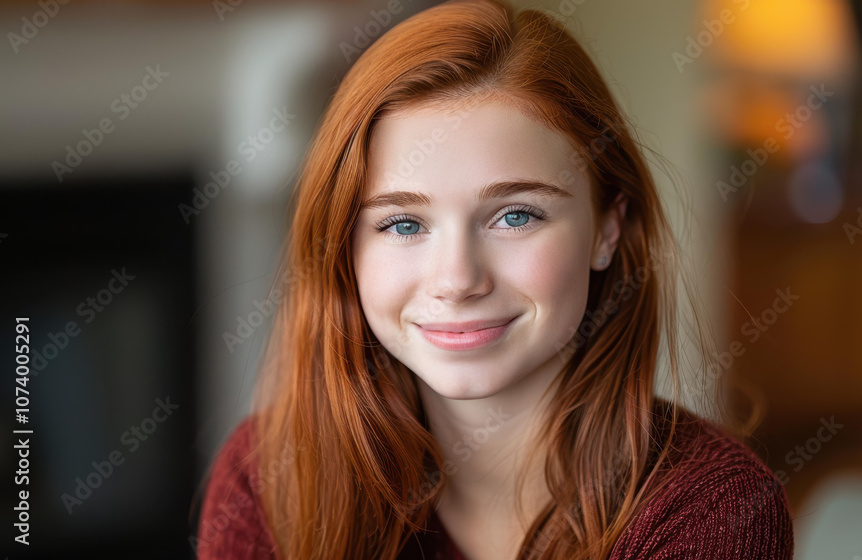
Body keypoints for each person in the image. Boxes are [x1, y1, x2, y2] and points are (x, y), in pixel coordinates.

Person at [193, 0, 794, 558]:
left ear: (607, 229)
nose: (457, 280)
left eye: (515, 216)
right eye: (403, 223)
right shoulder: (266, 480)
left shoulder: (714, 512)